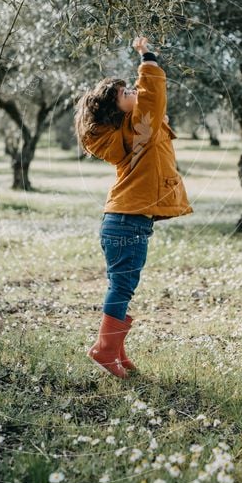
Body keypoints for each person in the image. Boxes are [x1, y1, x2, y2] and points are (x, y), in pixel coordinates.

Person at [74, 36, 193, 378]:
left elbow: (149, 106)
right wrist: (147, 56)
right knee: (122, 287)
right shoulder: (138, 129)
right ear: (118, 109)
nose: (134, 94)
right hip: (126, 222)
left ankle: (117, 351)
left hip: (122, 221)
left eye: (131, 90)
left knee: (121, 285)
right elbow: (153, 95)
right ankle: (105, 349)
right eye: (126, 94)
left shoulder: (131, 132)